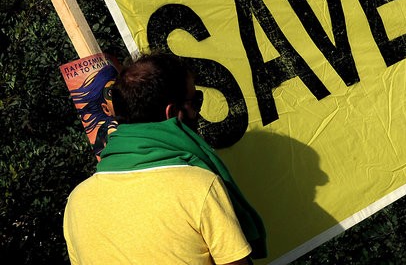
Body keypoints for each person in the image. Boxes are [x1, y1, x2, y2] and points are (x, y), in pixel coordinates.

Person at [63, 53, 266, 264]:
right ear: (173, 113)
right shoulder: (199, 187)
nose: (197, 112)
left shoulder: (77, 203)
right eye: (196, 101)